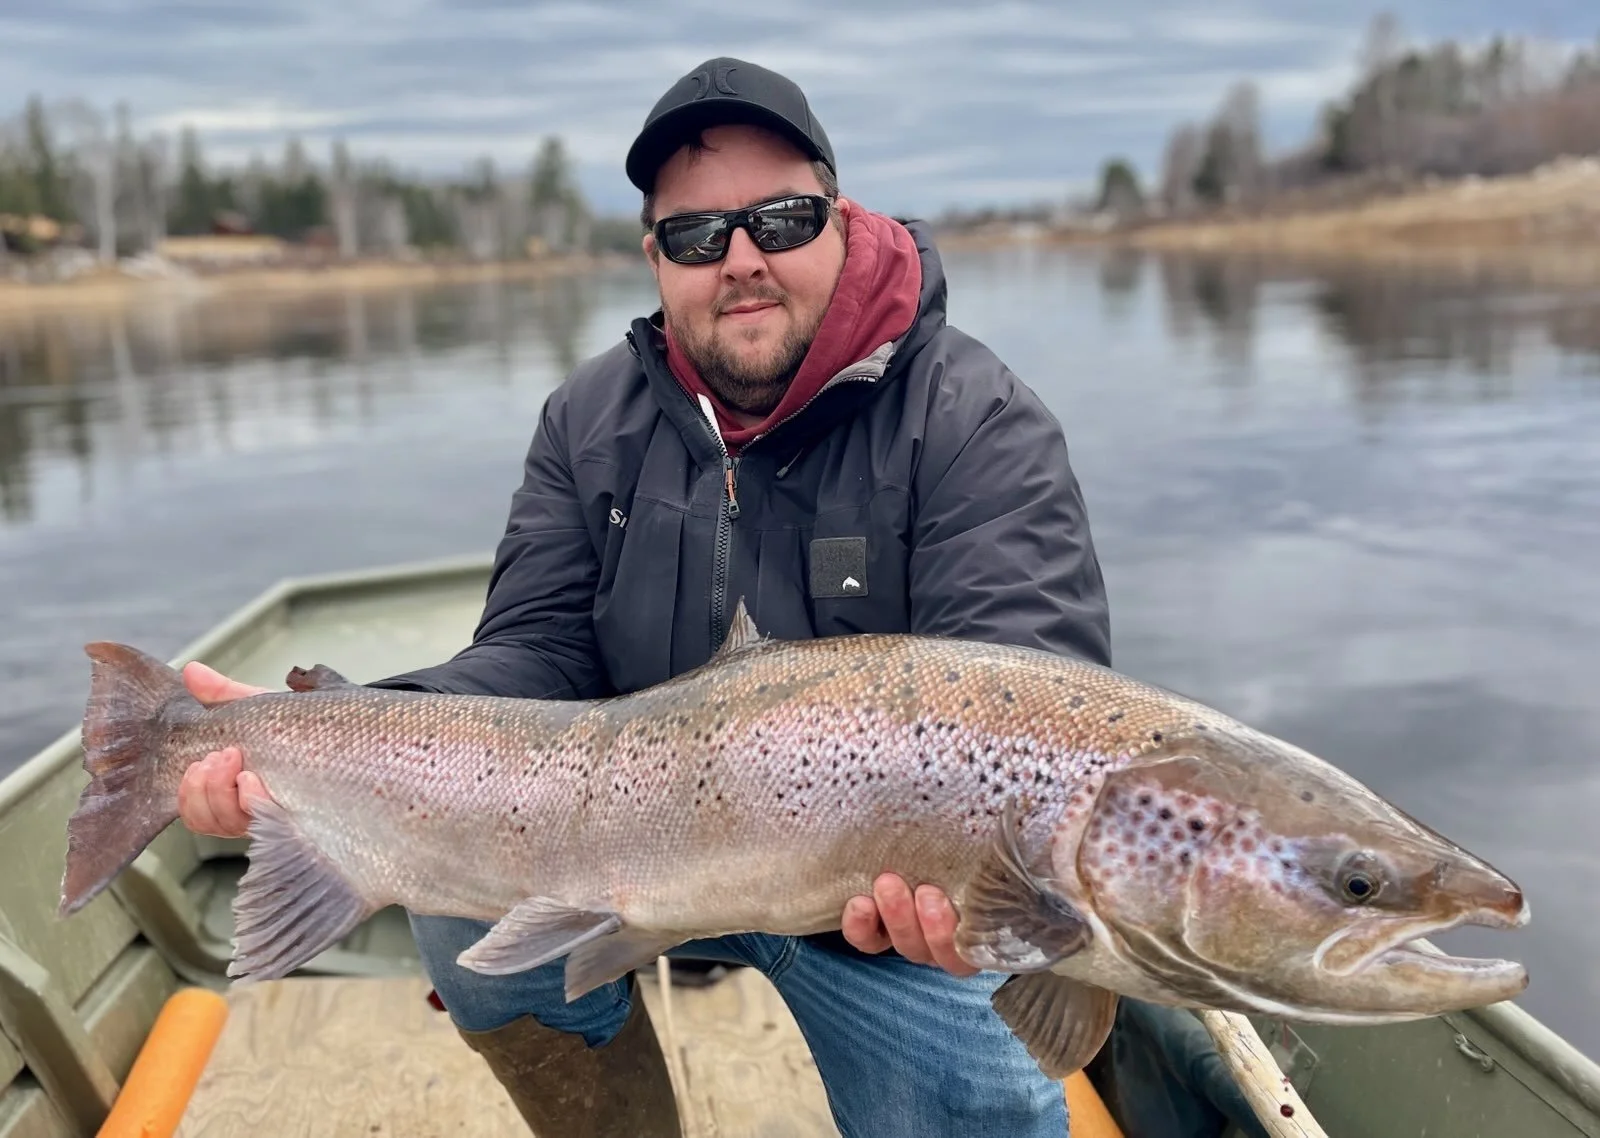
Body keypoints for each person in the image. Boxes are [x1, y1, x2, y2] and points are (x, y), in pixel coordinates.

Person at [176, 57, 1127, 1137]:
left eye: (781, 217)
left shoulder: (974, 420)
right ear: (654, 259)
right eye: (695, 236)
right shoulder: (588, 419)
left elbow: (1033, 690)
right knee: (454, 916)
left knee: (985, 1094)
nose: (742, 260)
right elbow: (531, 653)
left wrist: (980, 882)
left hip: (866, 904)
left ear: (842, 218)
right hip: (627, 854)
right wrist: (326, 734)